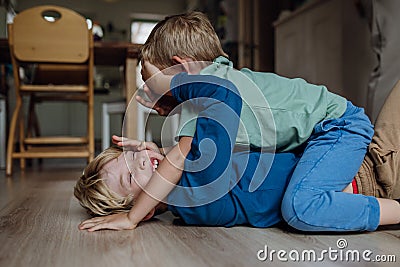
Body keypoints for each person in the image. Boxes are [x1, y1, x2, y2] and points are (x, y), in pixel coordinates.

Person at [76, 11, 400, 232]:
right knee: (302, 203)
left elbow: (182, 155)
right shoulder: (209, 96)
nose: (149, 93)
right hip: (330, 132)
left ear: (182, 68)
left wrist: (132, 217)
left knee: (302, 205)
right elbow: (188, 156)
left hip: (337, 125)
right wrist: (159, 150)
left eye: (152, 82)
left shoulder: (213, 91)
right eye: (130, 175)